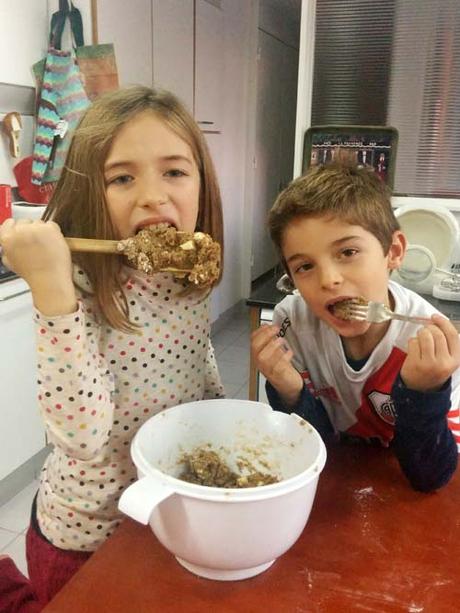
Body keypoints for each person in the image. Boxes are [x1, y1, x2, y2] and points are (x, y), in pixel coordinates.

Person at [0, 85, 225, 608]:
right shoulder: (79, 284)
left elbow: (194, 358)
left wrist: (215, 410)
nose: (153, 195)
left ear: (202, 184)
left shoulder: (183, 271)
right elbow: (82, 435)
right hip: (87, 538)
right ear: (89, 194)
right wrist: (51, 290)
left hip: (166, 520)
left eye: (174, 171)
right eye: (122, 177)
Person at [251, 163, 460, 493]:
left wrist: (424, 392)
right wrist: (289, 390)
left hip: (401, 491)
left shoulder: (434, 346)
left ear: (393, 252)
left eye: (348, 252)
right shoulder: (293, 323)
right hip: (333, 486)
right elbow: (313, 448)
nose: (329, 279)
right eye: (305, 266)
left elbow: (431, 477)